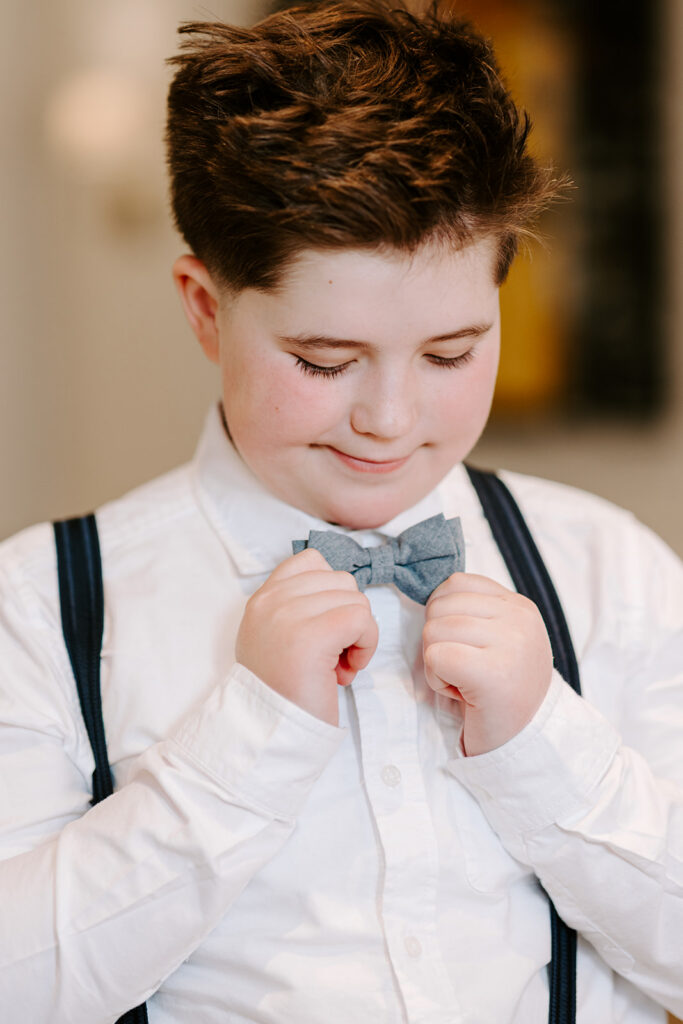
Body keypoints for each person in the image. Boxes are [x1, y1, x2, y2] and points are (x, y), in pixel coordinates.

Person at [0, 1, 681, 1021]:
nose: (390, 419)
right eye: (323, 361)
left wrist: (543, 743)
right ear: (203, 306)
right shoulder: (39, 608)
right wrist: (248, 742)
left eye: (451, 353)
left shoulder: (607, 569)